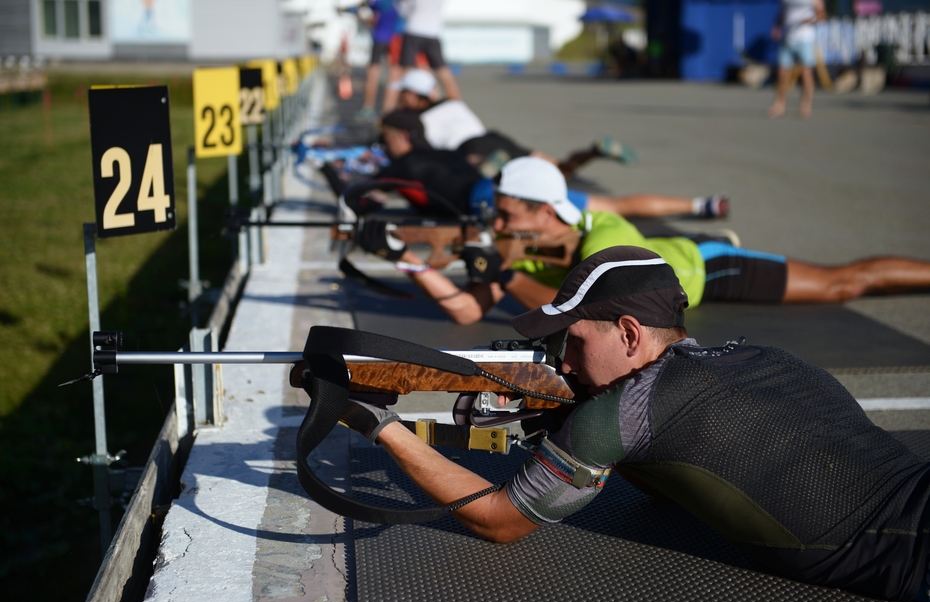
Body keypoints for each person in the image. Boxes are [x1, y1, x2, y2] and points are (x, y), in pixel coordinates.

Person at [337, 245, 930, 602]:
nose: (564, 362)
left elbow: (498, 523)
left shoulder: (625, 410)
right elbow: (671, 477)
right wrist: (565, 419)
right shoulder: (768, 357)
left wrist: (379, 424)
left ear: (627, 333)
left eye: (572, 342)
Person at [357, 155, 930, 325]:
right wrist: (406, 257)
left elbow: (590, 304)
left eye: (507, 216)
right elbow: (462, 311)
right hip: (670, 295)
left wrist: (503, 275)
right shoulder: (521, 246)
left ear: (545, 210)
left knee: (842, 284)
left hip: (709, 269)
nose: (498, 227)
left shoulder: (607, 235)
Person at [353, 110, 727, 226]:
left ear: (401, 137)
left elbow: (360, 198)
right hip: (489, 185)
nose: (385, 147)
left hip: (487, 200)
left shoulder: (402, 164)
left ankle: (696, 207)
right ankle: (698, 205)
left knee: (599, 214)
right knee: (603, 206)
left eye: (386, 140)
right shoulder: (438, 151)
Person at [393, 69, 638, 179]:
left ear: (415, 94)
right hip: (495, 138)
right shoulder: (454, 104)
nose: (400, 98)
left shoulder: (417, 120)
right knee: (560, 170)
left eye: (403, 92)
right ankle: (594, 151)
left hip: (470, 148)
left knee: (477, 174)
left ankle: (491, 168)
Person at [390, 0, 461, 108]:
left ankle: (400, 109)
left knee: (405, 71)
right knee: (443, 70)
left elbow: (404, 11)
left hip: (414, 30)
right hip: (433, 32)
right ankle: (456, 103)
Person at [767, 0, 827, 119]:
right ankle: (779, 105)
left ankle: (806, 106)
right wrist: (777, 26)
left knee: (806, 73)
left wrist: (808, 20)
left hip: (805, 39)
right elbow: (783, 12)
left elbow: (822, 16)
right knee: (782, 73)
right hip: (787, 38)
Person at [355, 0, 405, 121]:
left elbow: (363, 7)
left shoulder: (380, 3)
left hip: (381, 38)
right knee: (394, 75)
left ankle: (369, 108)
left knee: (374, 73)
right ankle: (389, 110)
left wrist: (361, 15)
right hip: (396, 38)